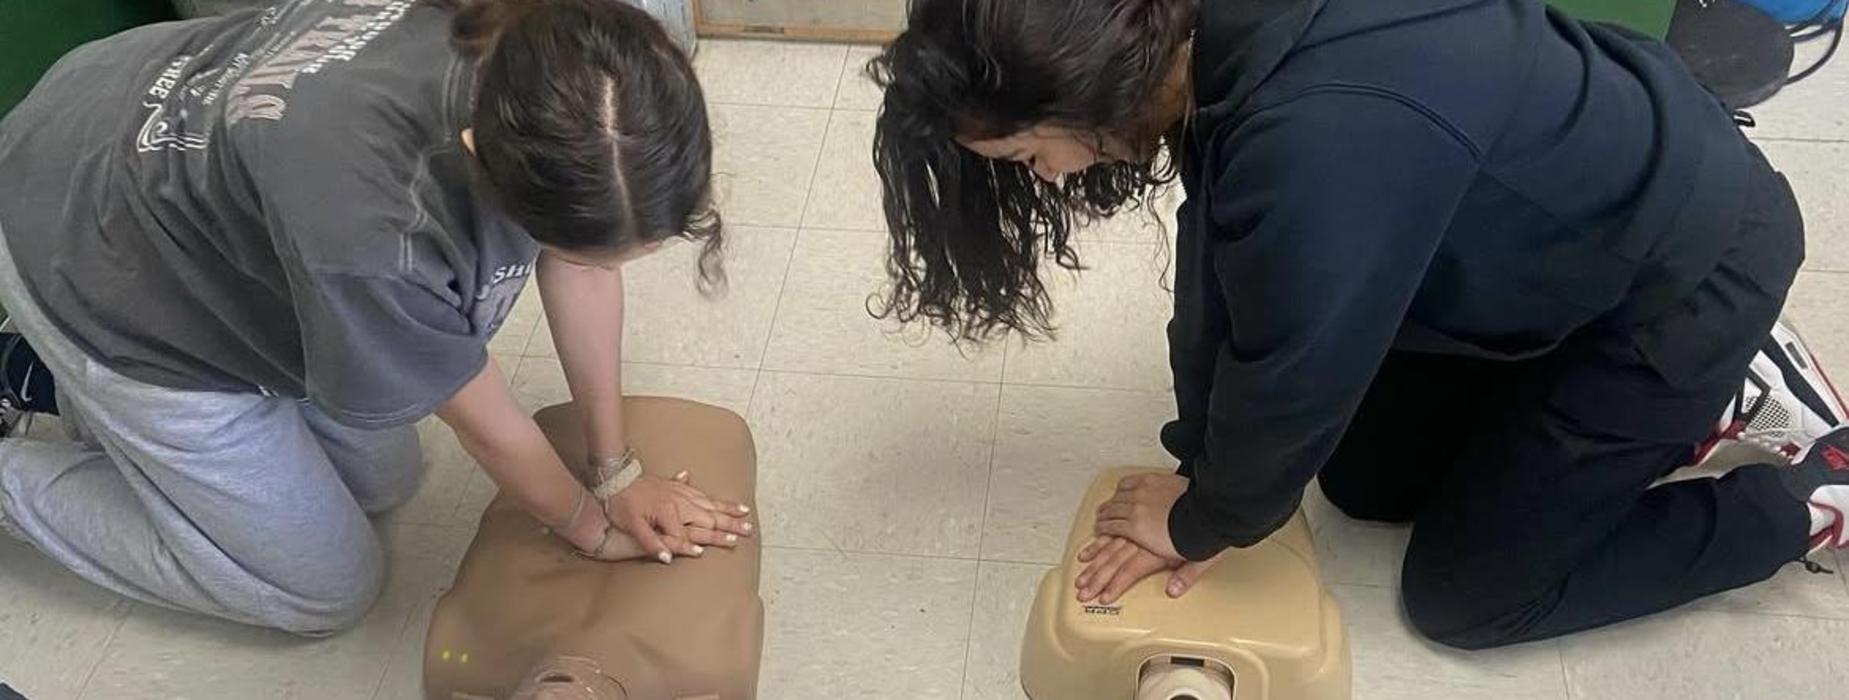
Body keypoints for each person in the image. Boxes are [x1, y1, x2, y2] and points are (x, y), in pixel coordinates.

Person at [869, 0, 1849, 650]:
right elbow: (1229, 269)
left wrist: (1208, 516)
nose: (1042, 177)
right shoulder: (1204, 37)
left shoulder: (1320, 138)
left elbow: (1298, 359)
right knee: (1366, 482)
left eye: (1029, 151)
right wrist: (1200, 469)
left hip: (1690, 268)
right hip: (1561, 233)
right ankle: (1681, 406)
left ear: (1089, 85)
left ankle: (1805, 491)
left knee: (1467, 598)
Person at [0, 0, 753, 636]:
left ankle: (34, 376)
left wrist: (612, 468)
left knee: (384, 479)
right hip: (91, 250)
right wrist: (592, 529)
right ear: (478, 160)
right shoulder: (372, 236)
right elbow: (484, 420)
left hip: (161, 154)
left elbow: (582, 265)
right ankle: (49, 426)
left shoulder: (564, 61)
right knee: (324, 591)